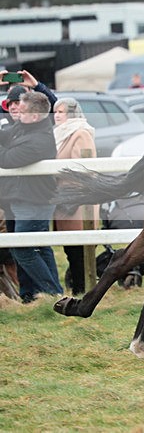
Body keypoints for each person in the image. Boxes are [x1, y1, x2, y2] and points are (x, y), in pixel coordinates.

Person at [0, 89, 62, 302]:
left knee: (22, 249)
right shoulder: (23, 127)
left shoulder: (39, 140)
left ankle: (52, 293)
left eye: (22, 110)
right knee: (40, 247)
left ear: (35, 116)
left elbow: (6, 159)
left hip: (34, 202)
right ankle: (39, 294)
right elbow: (4, 136)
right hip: (21, 200)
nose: (17, 113)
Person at [52, 98, 99, 296]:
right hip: (63, 199)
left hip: (77, 200)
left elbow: (84, 167)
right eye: (55, 111)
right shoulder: (60, 135)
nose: (57, 115)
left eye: (61, 111)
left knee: (79, 249)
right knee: (70, 248)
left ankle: (83, 290)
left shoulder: (80, 133)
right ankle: (78, 287)